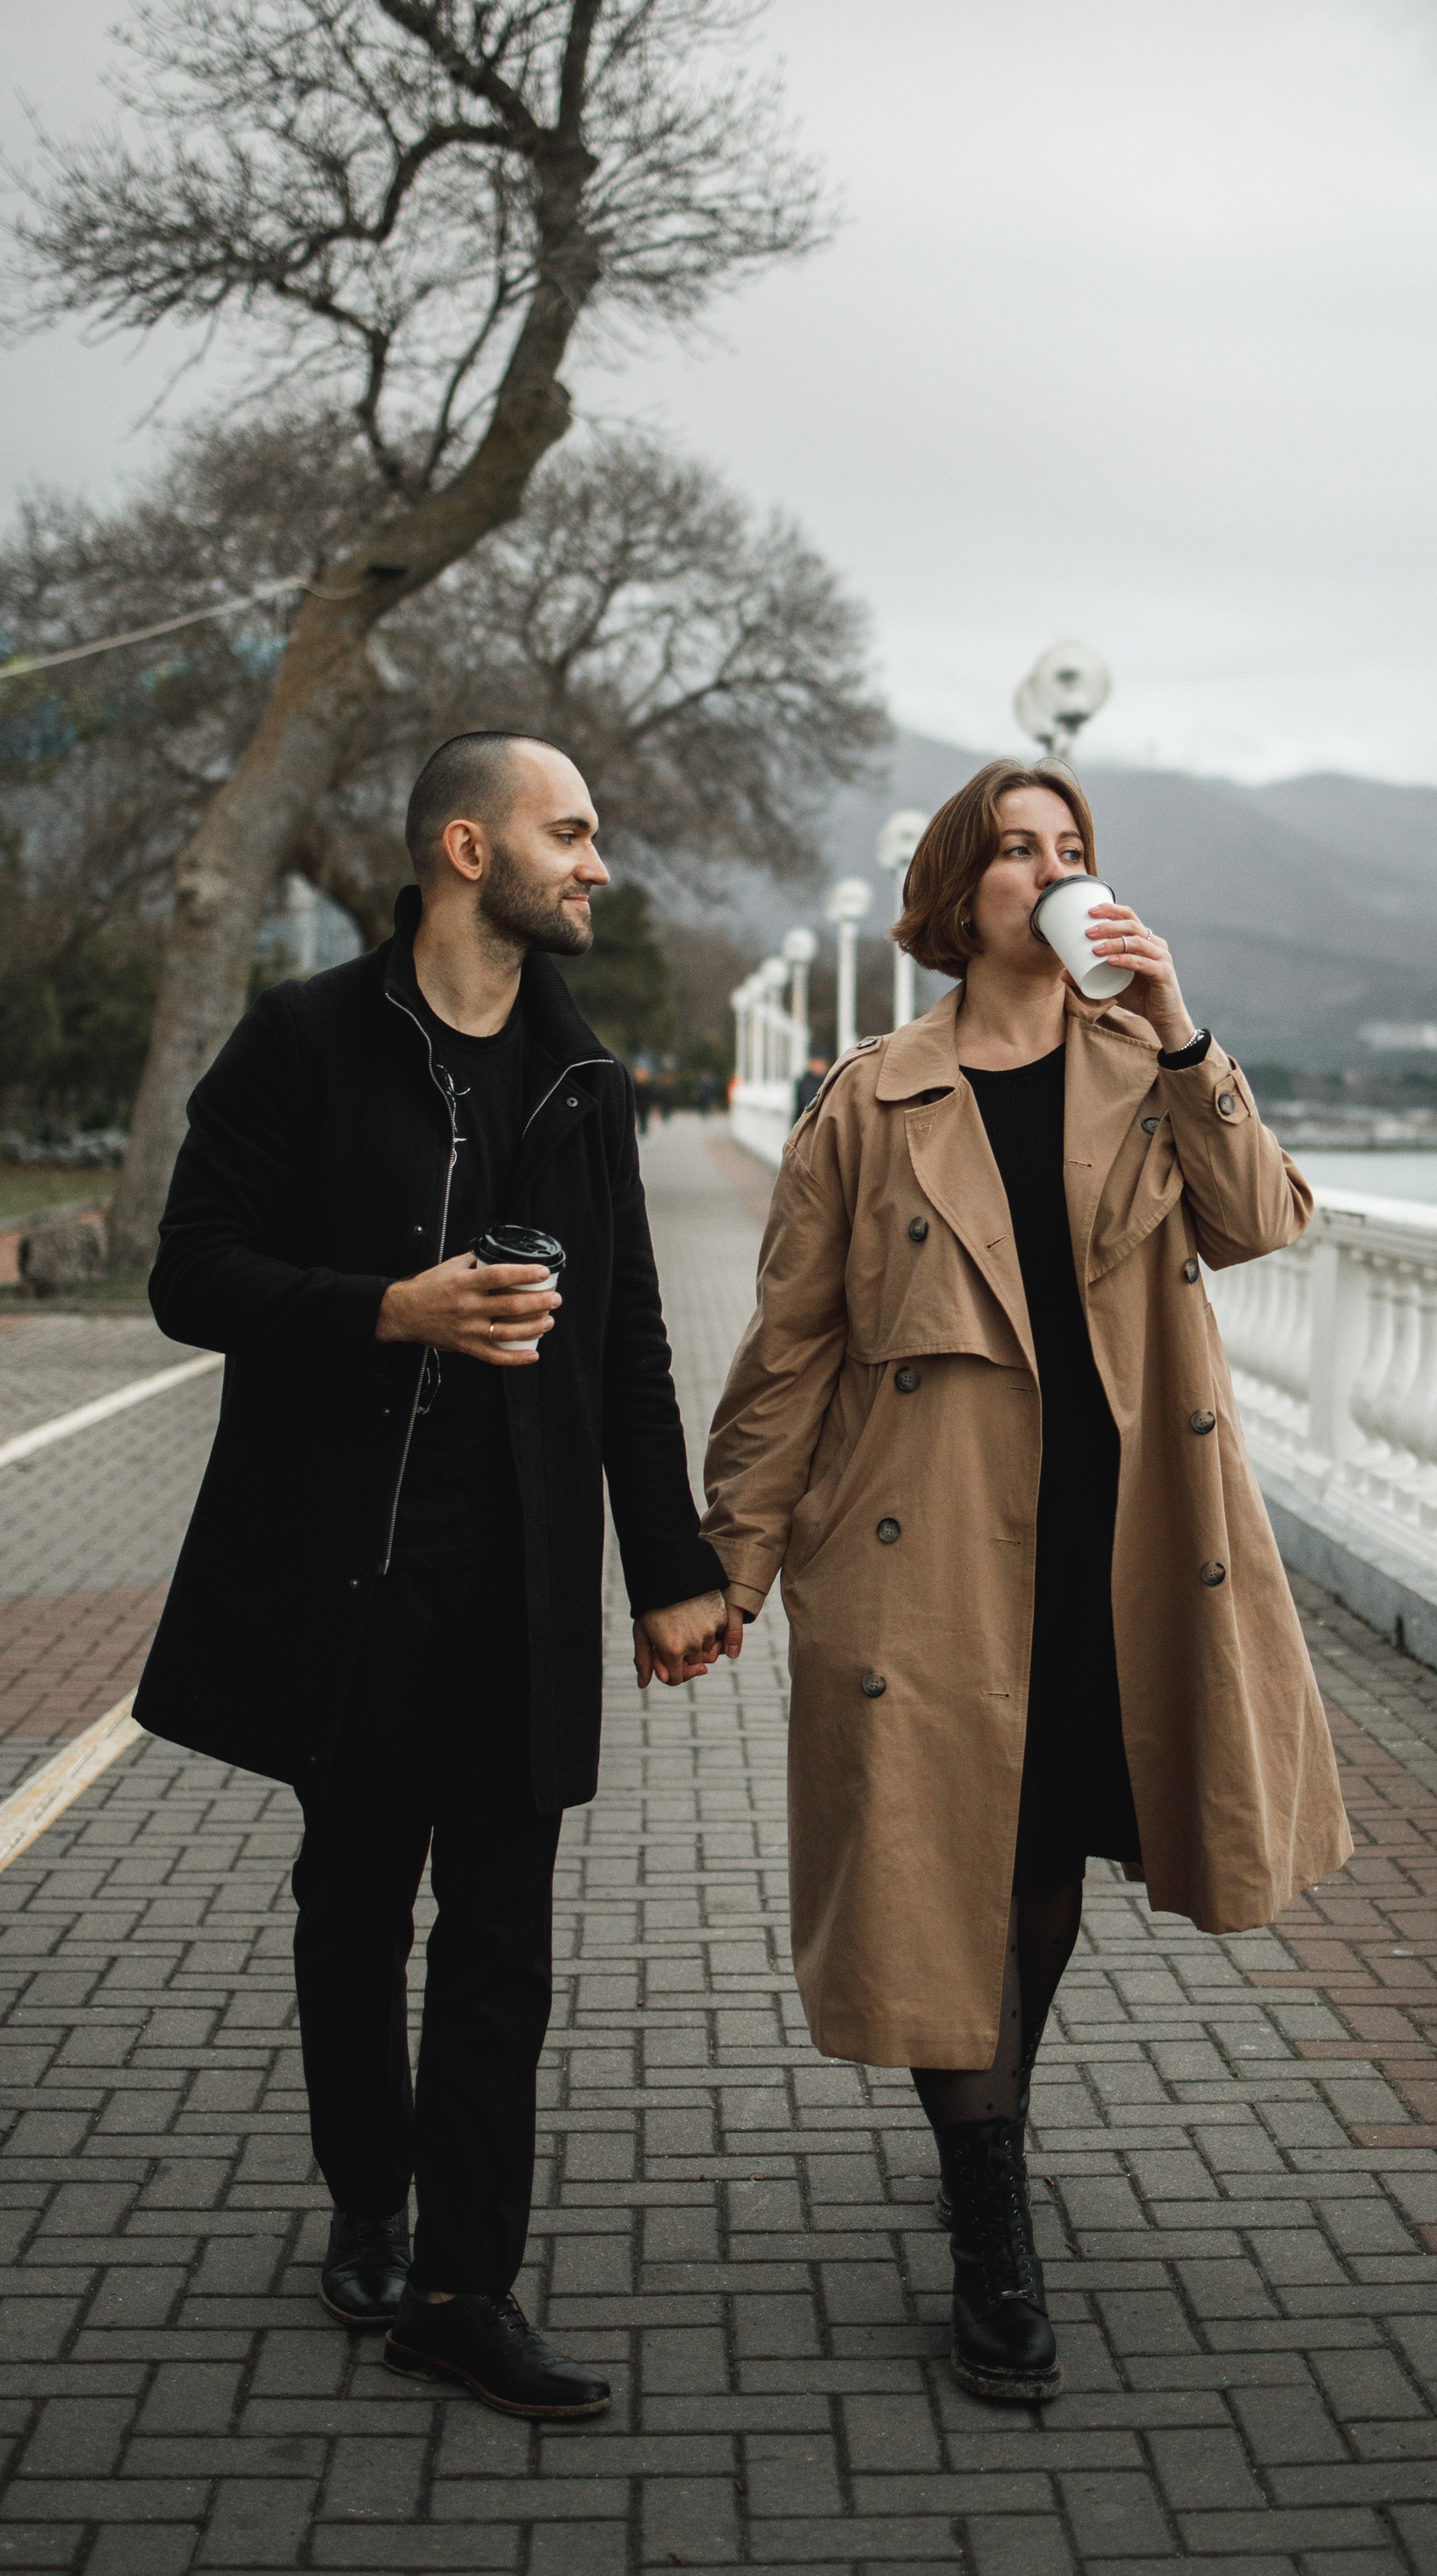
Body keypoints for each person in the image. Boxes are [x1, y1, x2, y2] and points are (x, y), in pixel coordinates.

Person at [703, 757, 1350, 2405]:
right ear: (956, 887)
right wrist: (732, 1565)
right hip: (919, 1557)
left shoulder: (1148, 1067)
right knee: (942, 1867)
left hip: (1112, 1544)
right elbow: (790, 1348)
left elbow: (1266, 1218)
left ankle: (990, 2121)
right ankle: (990, 2218)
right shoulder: (871, 1095)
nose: (1054, 875)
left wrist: (1185, 1018)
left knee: (1041, 1855)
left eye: (1075, 851)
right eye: (1018, 850)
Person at [140, 734, 728, 2420]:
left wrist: (668, 1564)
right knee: (351, 1905)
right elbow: (192, 1275)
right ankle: (370, 2197)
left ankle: (468, 2285)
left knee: (503, 1940)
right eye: (574, 834)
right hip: (350, 1575)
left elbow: (624, 1341)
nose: (599, 863)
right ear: (467, 848)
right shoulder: (307, 1039)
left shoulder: (581, 1077)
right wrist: (390, 1307)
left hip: (519, 1589)